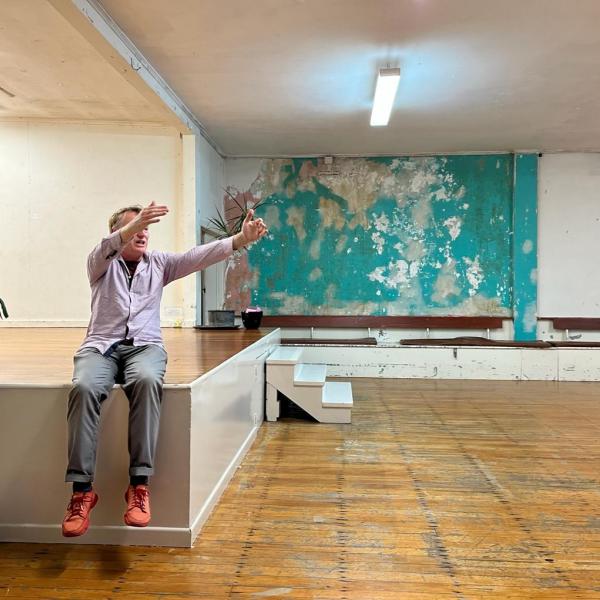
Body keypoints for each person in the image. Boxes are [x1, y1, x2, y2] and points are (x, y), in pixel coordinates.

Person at [61, 201, 267, 537]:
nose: (142, 233)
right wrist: (130, 226)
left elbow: (197, 255)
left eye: (145, 227)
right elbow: (106, 247)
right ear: (117, 232)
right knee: (83, 388)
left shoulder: (158, 264)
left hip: (145, 347)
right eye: (134, 227)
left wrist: (240, 240)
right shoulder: (100, 263)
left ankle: (138, 486)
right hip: (100, 346)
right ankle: (81, 492)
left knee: (145, 380)